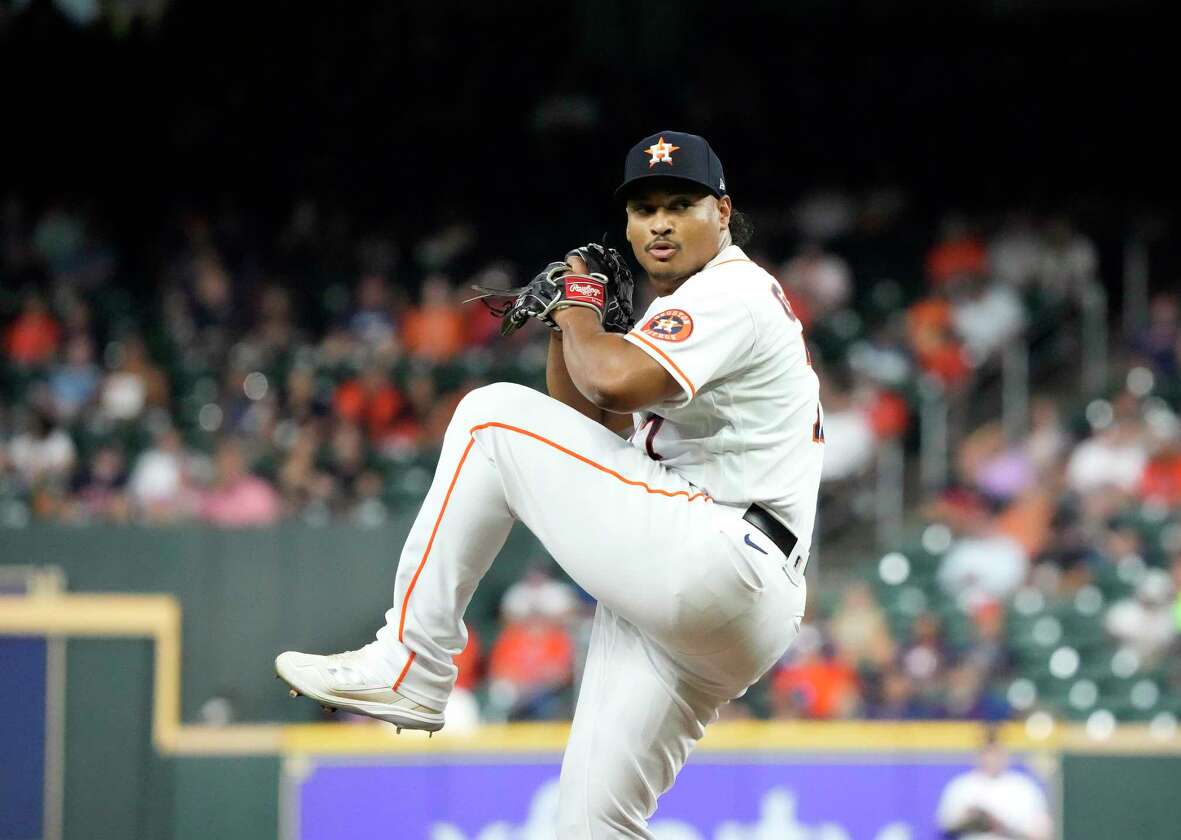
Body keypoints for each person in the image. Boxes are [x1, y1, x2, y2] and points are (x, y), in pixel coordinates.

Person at [275, 130, 823, 837]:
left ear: (722, 212)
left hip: (719, 553)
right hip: (717, 587)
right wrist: (573, 323)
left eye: (681, 204)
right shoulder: (681, 310)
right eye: (644, 207)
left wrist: (579, 308)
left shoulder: (733, 289)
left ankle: (413, 661)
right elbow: (584, 424)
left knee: (486, 419)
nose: (659, 222)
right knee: (590, 826)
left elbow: (613, 378)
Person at [936, 727, 1052, 839]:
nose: (992, 759)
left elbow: (1041, 832)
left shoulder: (1024, 787)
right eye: (987, 752)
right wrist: (971, 820)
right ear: (978, 755)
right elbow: (945, 826)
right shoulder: (961, 786)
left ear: (1005, 754)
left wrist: (999, 825)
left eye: (996, 752)